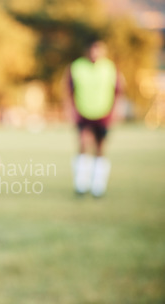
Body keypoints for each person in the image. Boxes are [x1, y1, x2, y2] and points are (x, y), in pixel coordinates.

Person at [66, 40, 123, 197]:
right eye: (93, 50)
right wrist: (70, 110)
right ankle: (81, 184)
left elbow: (118, 91)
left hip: (103, 114)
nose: (95, 53)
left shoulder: (110, 68)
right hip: (83, 112)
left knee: (100, 148)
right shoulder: (77, 67)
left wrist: (116, 111)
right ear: (87, 51)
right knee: (83, 144)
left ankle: (98, 186)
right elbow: (68, 91)